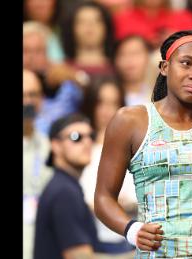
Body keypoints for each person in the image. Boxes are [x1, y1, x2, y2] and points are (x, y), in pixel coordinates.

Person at [94, 30, 192, 258]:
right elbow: (103, 198)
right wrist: (132, 229)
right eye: (186, 63)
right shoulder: (130, 121)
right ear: (164, 67)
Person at [79, 78, 137, 258]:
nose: (107, 111)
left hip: (131, 238)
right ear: (91, 105)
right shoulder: (80, 146)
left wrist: (125, 202)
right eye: (101, 103)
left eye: (113, 103)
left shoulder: (135, 144)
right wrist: (104, 203)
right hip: (91, 241)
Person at [33, 114, 99, 259]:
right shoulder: (64, 193)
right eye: (76, 137)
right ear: (55, 145)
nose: (87, 142)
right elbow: (79, 256)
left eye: (91, 136)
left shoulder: (65, 186)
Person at [23, 69, 53, 259]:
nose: (27, 102)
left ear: (41, 100)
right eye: (22, 95)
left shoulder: (49, 146)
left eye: (33, 95)